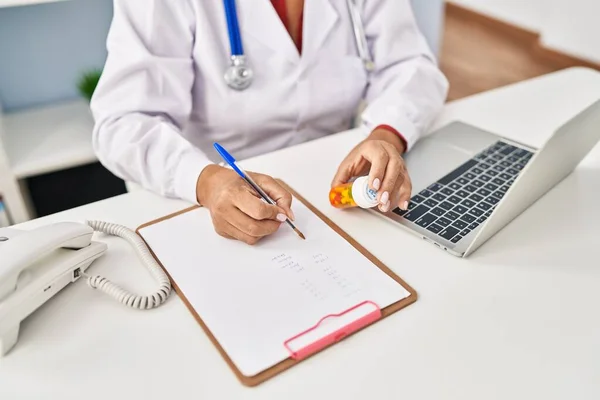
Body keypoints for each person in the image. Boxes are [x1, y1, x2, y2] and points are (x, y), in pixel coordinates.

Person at [90, 0, 449, 244]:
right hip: (213, 198)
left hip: (338, 187)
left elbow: (411, 67)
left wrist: (387, 134)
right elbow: (122, 122)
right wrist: (206, 181)